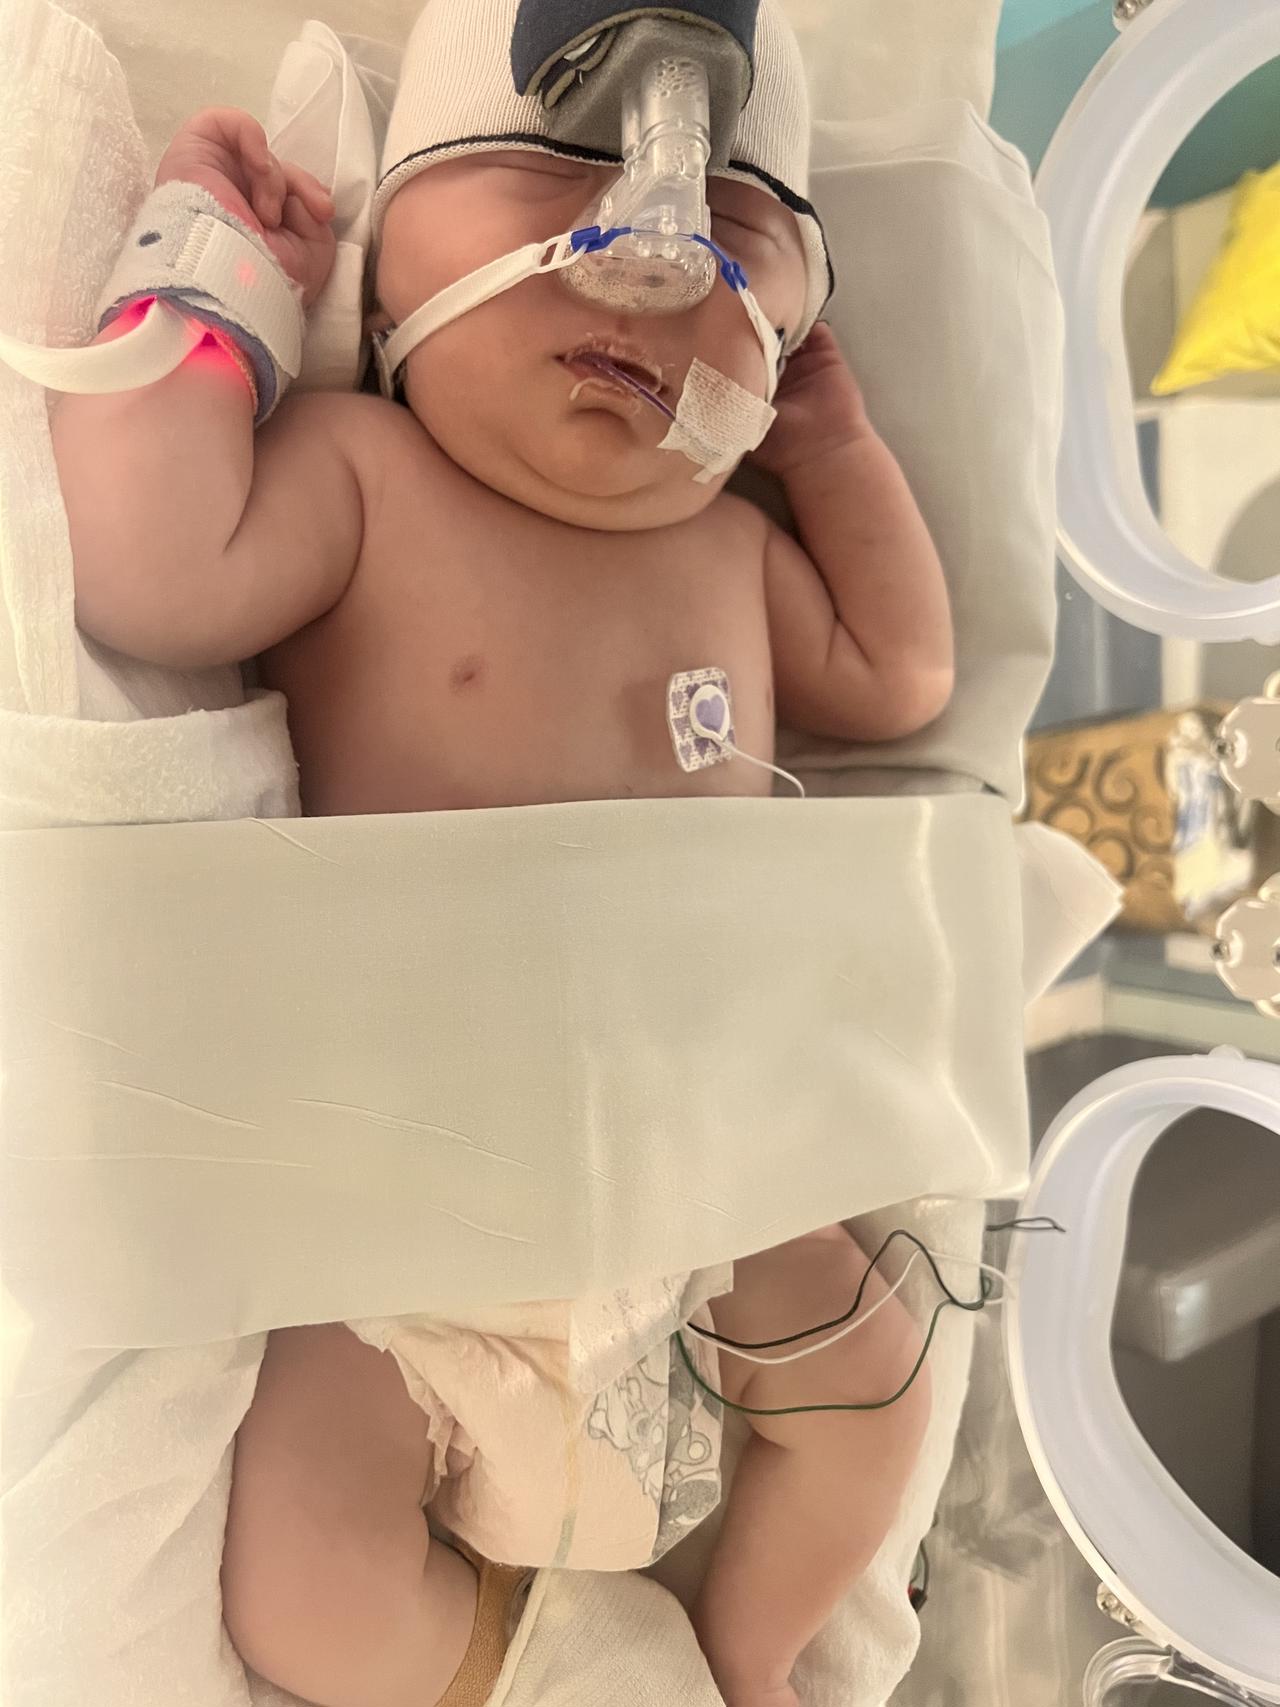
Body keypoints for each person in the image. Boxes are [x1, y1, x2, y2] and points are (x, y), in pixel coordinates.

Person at [49, 6, 949, 1703]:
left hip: (701, 1203)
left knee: (874, 1381)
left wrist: (830, 450)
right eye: (547, 179)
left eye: (728, 230)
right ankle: (574, 1671)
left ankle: (749, 1651)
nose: (641, 262)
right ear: (389, 263)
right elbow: (147, 567)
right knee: (303, 1579)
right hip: (400, 1232)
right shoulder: (366, 480)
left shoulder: (736, 556)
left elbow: (900, 678)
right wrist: (215, 280)